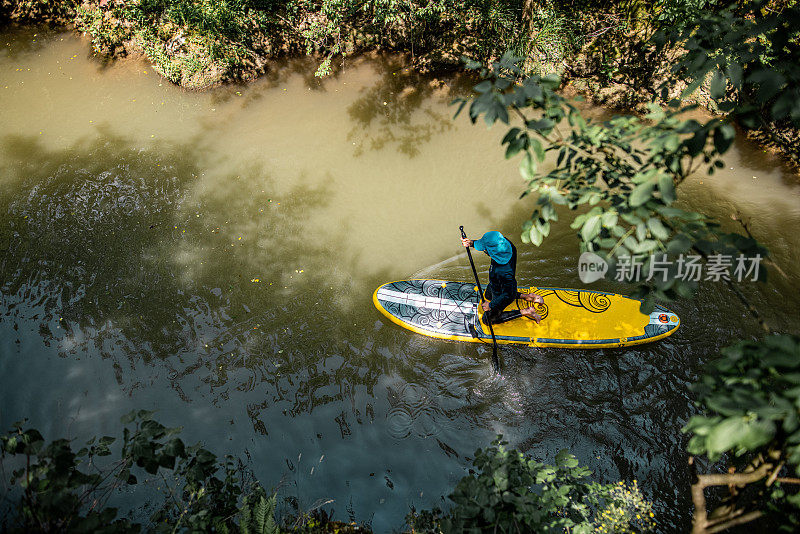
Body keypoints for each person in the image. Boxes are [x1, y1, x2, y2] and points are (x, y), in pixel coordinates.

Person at [461, 231, 543, 325]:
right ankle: (527, 296)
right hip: (497, 283)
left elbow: (507, 294)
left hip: (505, 291)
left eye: (485, 249)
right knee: (488, 295)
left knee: (487, 320)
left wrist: (491, 305)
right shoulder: (507, 244)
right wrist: (471, 243)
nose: (485, 250)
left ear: (493, 252)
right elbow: (490, 244)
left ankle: (527, 311)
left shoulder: (504, 273)